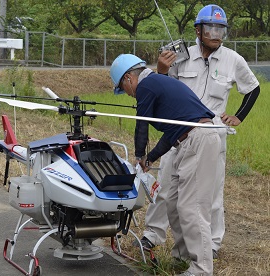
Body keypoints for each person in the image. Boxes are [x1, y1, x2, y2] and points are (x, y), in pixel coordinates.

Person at [140, 3, 260, 261]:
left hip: (212, 136)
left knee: (211, 193)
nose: (216, 34)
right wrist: (161, 69)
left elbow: (253, 88)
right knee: (167, 186)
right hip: (179, 132)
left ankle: (212, 243)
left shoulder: (233, 60)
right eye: (211, 28)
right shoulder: (179, 56)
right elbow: (162, 87)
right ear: (198, 30)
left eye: (221, 29)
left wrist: (238, 116)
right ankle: (152, 235)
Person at [110, 53, 221, 276]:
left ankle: (201, 269)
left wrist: (139, 154)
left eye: (125, 89)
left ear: (129, 78)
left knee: (192, 207)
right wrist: (150, 157)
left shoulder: (146, 86)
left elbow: (141, 124)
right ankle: (182, 257)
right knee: (173, 201)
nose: (130, 95)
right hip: (187, 140)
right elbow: (171, 133)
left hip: (198, 139)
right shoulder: (158, 83)